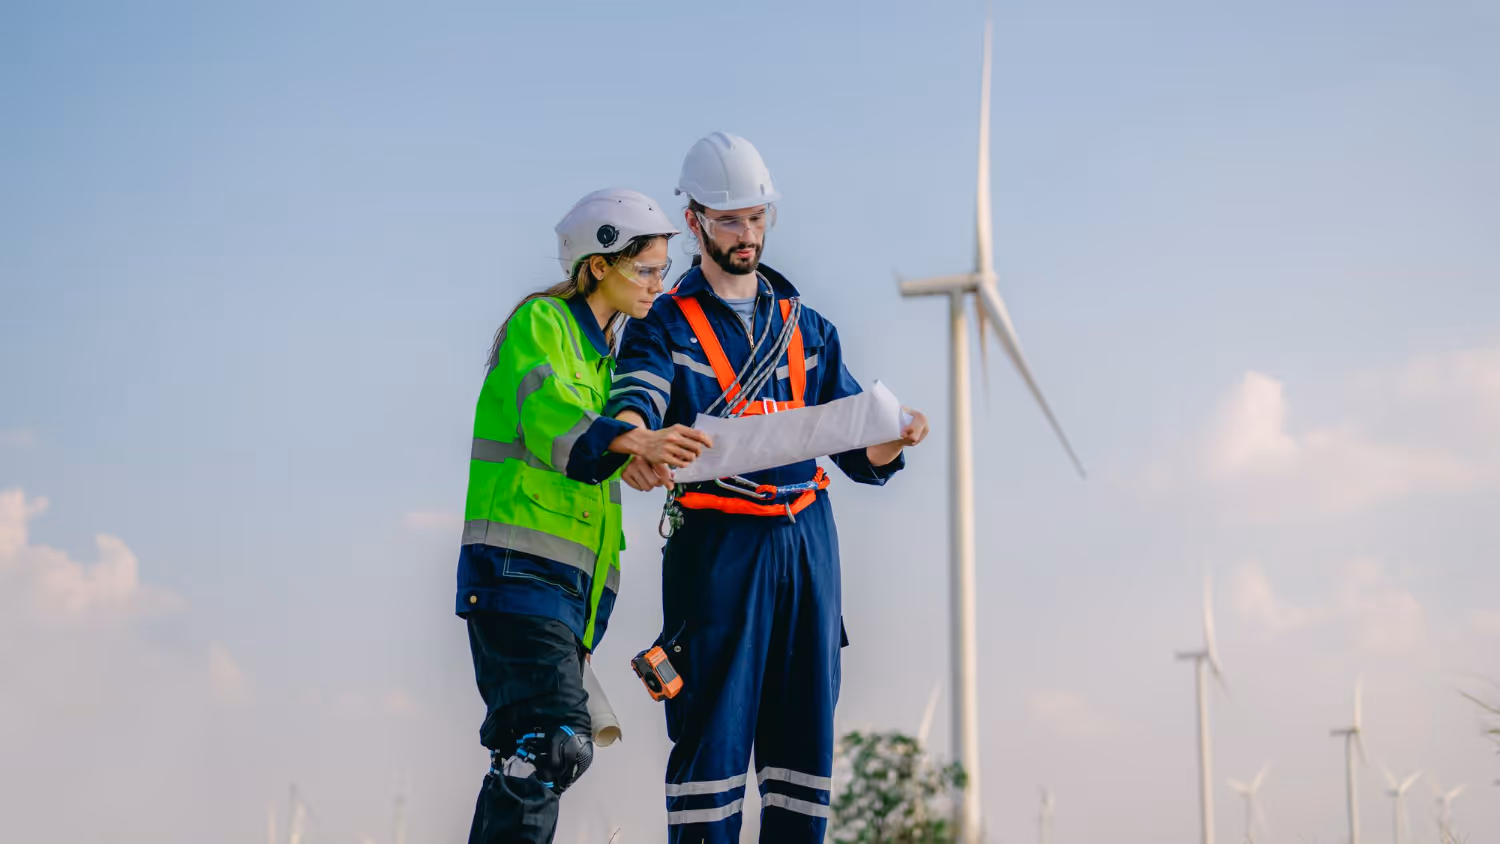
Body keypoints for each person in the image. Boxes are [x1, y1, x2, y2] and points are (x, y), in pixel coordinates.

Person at [604, 133, 930, 843]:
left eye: (757, 217)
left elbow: (856, 448)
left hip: (810, 545)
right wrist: (632, 438)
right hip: (719, 548)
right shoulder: (661, 323)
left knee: (803, 752)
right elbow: (635, 400)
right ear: (693, 222)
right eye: (728, 220)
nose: (746, 234)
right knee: (710, 749)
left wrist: (897, 435)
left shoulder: (809, 328)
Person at [457, 188, 713, 844]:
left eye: (662, 269)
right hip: (517, 578)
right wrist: (633, 441)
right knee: (555, 742)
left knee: (533, 749)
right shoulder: (540, 325)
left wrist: (636, 456)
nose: (659, 284)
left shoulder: (608, 364)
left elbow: (589, 449)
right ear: (599, 265)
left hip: (566, 598)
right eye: (647, 269)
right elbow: (550, 419)